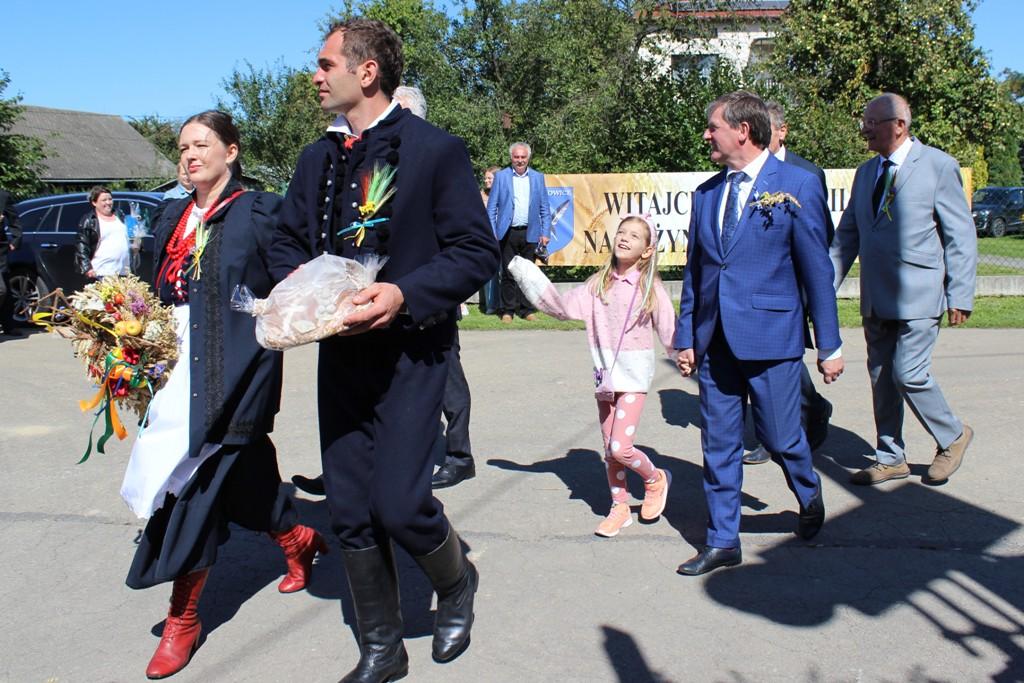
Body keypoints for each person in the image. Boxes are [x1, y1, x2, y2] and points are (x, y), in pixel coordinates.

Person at [269, 20, 499, 682]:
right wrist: (304, 290)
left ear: (366, 71)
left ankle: (456, 582)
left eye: (325, 64)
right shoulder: (316, 158)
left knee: (399, 503)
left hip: (412, 353)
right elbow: (285, 240)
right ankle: (382, 648)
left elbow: (476, 251)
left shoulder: (435, 150)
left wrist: (402, 293)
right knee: (348, 507)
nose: (315, 75)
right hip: (341, 354)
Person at [120, 111, 326, 680]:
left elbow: (294, 280)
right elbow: (154, 293)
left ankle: (183, 618)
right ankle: (298, 538)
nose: (189, 156)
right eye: (183, 148)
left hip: (237, 371)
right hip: (177, 374)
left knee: (195, 485)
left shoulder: (259, 211)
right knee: (246, 476)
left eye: (201, 145)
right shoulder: (172, 216)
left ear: (231, 151)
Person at [674, 91, 843, 576]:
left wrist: (829, 344)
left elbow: (817, 272)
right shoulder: (706, 194)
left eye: (713, 127)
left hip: (772, 336)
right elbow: (696, 273)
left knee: (781, 436)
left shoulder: (796, 185)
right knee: (718, 443)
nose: (706, 135)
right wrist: (685, 336)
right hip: (714, 341)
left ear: (742, 131)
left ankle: (807, 492)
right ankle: (722, 540)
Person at [830, 93, 977, 486]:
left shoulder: (938, 166)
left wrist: (960, 293)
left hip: (920, 294)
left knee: (908, 372)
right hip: (877, 297)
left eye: (872, 122)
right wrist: (823, 291)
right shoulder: (866, 173)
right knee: (881, 377)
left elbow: (960, 235)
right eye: (864, 121)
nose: (865, 129)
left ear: (899, 125)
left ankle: (953, 435)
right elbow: (847, 237)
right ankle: (890, 457)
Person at [509, 214, 676, 537]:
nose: (624, 238)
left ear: (646, 250)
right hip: (605, 378)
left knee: (621, 447)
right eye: (621, 232)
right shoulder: (598, 283)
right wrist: (524, 271)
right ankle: (620, 507)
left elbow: (669, 326)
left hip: (634, 377)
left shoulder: (649, 287)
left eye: (634, 236)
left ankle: (655, 479)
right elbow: (560, 308)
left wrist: (681, 354)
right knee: (609, 449)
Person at [743, 101, 835, 465]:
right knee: (768, 358)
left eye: (765, 128)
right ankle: (779, 429)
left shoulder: (806, 173)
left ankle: (800, 416)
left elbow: (820, 233)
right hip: (757, 284)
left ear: (782, 131)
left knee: (783, 358)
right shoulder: (747, 170)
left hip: (793, 284)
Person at [487, 142, 551, 322]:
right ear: (511, 158)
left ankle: (527, 310)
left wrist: (545, 232)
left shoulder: (538, 177)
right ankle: (508, 310)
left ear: (528, 158)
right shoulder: (501, 177)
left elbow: (545, 208)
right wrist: (493, 231)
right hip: (507, 232)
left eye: (523, 157)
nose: (520, 160)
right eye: (516, 157)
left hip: (531, 232)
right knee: (508, 272)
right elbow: (491, 208)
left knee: (527, 273)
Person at [75, 186, 131, 279]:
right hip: (102, 272)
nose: (108, 202)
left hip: (123, 272)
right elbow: (82, 246)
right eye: (104, 200)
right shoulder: (89, 220)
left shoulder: (119, 215)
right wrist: (87, 268)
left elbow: (129, 237)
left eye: (110, 199)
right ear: (94, 202)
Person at [0, 189, 23, 336]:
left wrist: (15, 239)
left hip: (0, 250)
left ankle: (8, 324)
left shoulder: (3, 196)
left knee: (4, 288)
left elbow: (14, 219)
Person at [480, 166, 501, 315]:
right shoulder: (480, 196)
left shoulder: (504, 194)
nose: (486, 181)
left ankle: (506, 305)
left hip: (503, 238)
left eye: (489, 178)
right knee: (490, 273)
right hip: (486, 239)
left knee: (504, 273)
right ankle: (491, 305)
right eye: (485, 178)